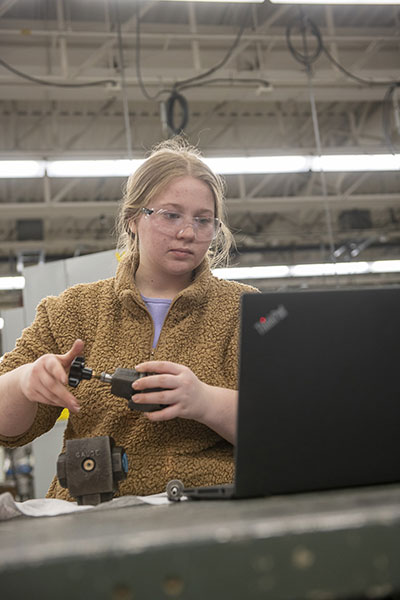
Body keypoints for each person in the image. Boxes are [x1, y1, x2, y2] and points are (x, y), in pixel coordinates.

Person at [0, 138, 258, 500]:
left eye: (203, 220)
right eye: (171, 214)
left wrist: (205, 401)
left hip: (211, 508)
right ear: (134, 218)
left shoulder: (243, 309)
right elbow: (7, 427)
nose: (188, 232)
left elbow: (283, 427)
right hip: (90, 512)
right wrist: (25, 382)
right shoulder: (74, 310)